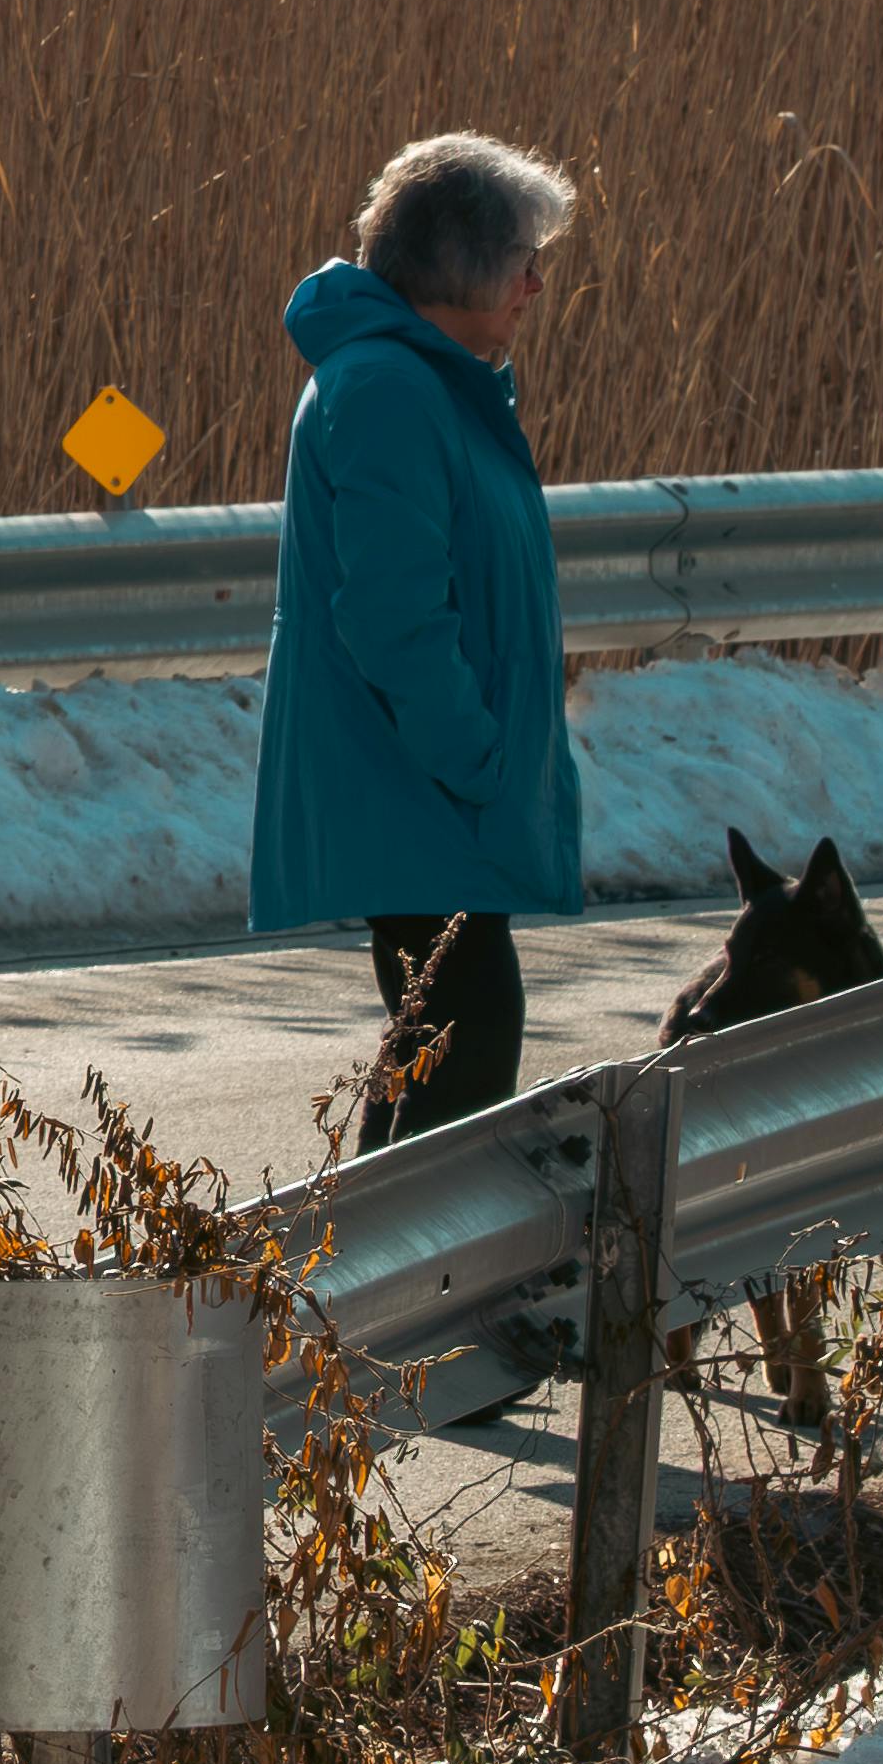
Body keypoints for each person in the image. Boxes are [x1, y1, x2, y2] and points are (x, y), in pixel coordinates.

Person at [249, 132, 587, 1153]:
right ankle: (371, 1257)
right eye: (524, 258)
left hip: (433, 803)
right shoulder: (390, 389)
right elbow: (394, 616)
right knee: (454, 1078)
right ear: (462, 262)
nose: (536, 284)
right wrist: (479, 762)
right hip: (421, 796)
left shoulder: (429, 382)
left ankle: (365, 1257)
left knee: (439, 1076)